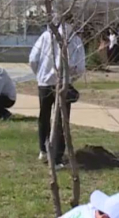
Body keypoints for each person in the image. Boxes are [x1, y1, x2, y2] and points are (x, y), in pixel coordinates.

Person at [30, 21, 86, 166]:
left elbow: (33, 59)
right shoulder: (75, 40)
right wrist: (70, 79)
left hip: (45, 83)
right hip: (63, 83)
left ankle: (43, 149)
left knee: (44, 116)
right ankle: (57, 156)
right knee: (62, 120)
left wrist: (41, 75)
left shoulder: (45, 36)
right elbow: (80, 67)